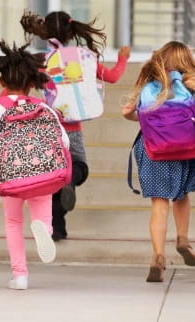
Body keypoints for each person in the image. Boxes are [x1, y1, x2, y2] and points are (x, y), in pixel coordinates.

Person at [20, 10, 130, 241]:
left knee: (52, 179)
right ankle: (72, 176)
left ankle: (57, 229)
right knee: (79, 166)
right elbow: (112, 77)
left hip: (48, 127)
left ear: (46, 31)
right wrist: (123, 59)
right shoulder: (85, 56)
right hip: (73, 128)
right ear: (72, 32)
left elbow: (24, 86)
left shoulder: (41, 61)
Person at [0, 40, 69, 290]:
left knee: (13, 222)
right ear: (31, 83)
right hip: (43, 175)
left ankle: (20, 276)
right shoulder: (43, 106)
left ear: (2, 82)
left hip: (12, 175)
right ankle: (45, 231)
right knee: (42, 213)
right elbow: (64, 141)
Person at [121, 41, 195, 282]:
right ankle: (183, 239)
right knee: (181, 196)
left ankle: (158, 256)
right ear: (186, 61)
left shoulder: (147, 82)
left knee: (159, 205)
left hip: (154, 150)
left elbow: (127, 112)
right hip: (186, 148)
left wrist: (145, 118)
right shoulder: (188, 82)